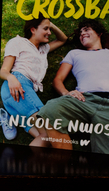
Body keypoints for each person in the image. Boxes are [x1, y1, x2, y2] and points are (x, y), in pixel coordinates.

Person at [38, 19, 109, 153]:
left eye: (86, 30)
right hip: (84, 100)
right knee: (50, 110)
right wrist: (66, 93)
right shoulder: (74, 53)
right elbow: (57, 80)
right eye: (80, 32)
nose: (82, 34)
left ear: (99, 33)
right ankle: (65, 165)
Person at [0, 14, 67, 145]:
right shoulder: (18, 42)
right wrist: (11, 77)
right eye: (46, 28)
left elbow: (63, 39)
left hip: (19, 96)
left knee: (45, 138)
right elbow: (3, 71)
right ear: (33, 29)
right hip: (18, 85)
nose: (49, 32)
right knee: (50, 131)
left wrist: (50, 23)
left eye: (50, 29)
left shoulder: (43, 49)